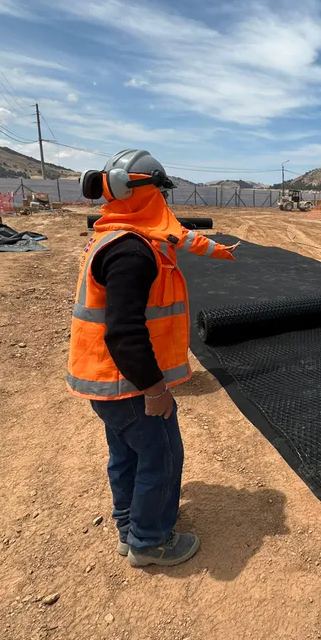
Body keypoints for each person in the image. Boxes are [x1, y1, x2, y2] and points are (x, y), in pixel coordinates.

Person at [67, 149, 239, 567]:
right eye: (162, 193)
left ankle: (129, 528)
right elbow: (124, 332)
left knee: (126, 454)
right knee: (162, 456)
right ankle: (149, 542)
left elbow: (180, 238)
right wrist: (155, 389)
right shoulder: (132, 252)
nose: (166, 201)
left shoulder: (114, 235)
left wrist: (218, 249)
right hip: (130, 383)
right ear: (143, 193)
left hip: (106, 382)